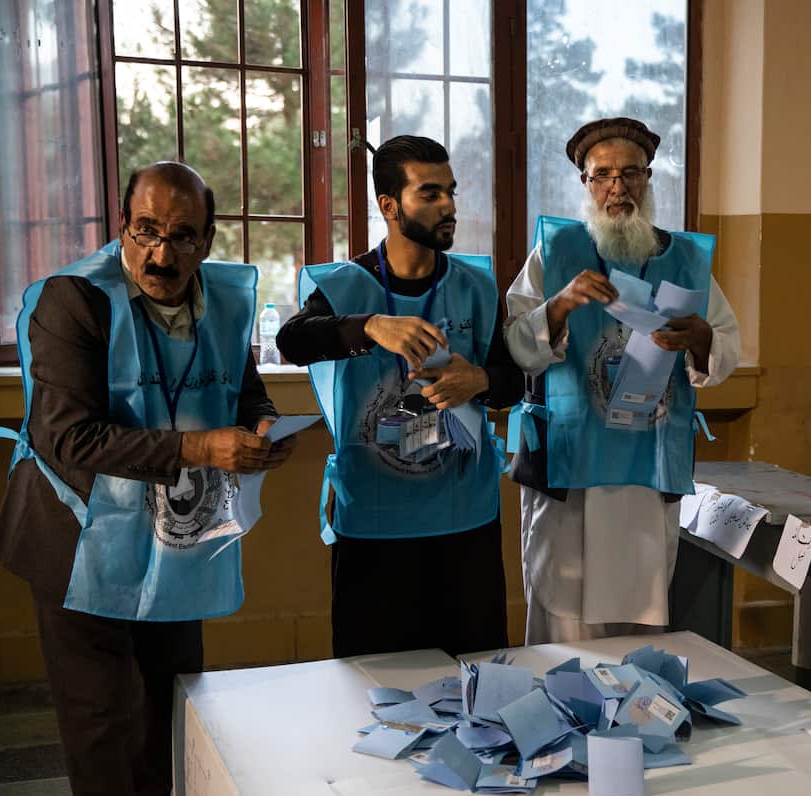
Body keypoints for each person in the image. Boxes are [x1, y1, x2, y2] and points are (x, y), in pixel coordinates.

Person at [0, 161, 294, 796]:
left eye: (182, 237)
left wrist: (264, 422)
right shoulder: (70, 301)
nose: (162, 254)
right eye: (146, 231)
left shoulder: (220, 299)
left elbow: (243, 389)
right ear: (122, 226)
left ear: (208, 241)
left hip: (176, 543)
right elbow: (69, 435)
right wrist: (202, 447)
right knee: (104, 734)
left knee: (171, 713)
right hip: (77, 542)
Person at [279, 135, 521, 657]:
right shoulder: (345, 285)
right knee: (374, 686)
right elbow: (292, 341)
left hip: (464, 524)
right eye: (429, 194)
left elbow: (514, 378)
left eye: (451, 192)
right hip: (375, 524)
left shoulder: (476, 288)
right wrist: (370, 327)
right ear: (389, 206)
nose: (449, 206)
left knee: (475, 675)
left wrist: (478, 380)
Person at [505, 117, 740, 642]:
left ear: (649, 179)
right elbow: (517, 345)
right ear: (585, 184)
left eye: (631, 173)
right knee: (562, 621)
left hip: (646, 469)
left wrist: (700, 334)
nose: (618, 187)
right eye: (603, 174)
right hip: (568, 471)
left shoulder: (683, 260)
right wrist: (561, 304)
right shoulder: (556, 251)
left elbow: (726, 350)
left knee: (640, 621)